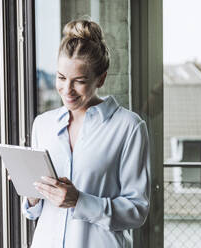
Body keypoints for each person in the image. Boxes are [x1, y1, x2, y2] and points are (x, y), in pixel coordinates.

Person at [22, 19, 150, 248]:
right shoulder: (43, 124)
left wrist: (80, 201)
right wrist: (32, 193)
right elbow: (35, 211)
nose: (67, 90)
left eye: (79, 81)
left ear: (101, 78)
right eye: (61, 78)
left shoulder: (128, 127)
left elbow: (137, 211)